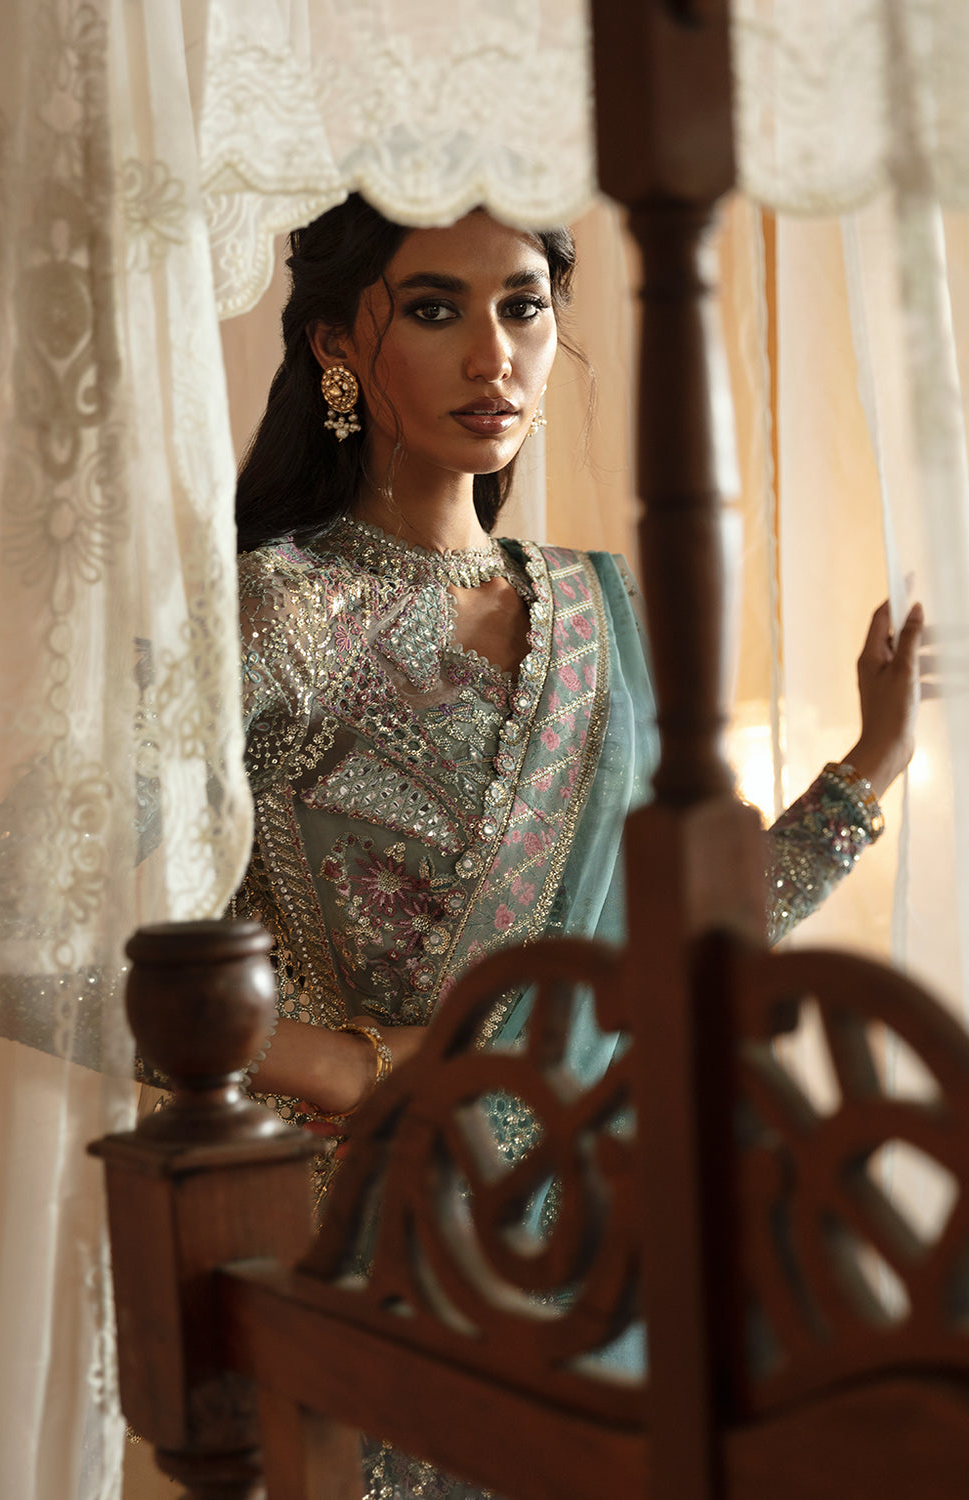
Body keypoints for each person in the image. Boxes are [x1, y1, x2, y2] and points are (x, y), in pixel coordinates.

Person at [231, 194, 922, 1499]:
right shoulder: (274, 614)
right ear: (333, 344)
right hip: (383, 1244)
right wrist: (339, 1059)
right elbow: (43, 934)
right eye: (434, 309)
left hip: (615, 1227)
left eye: (524, 309)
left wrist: (867, 769)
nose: (493, 355)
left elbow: (673, 949)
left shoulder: (600, 607)